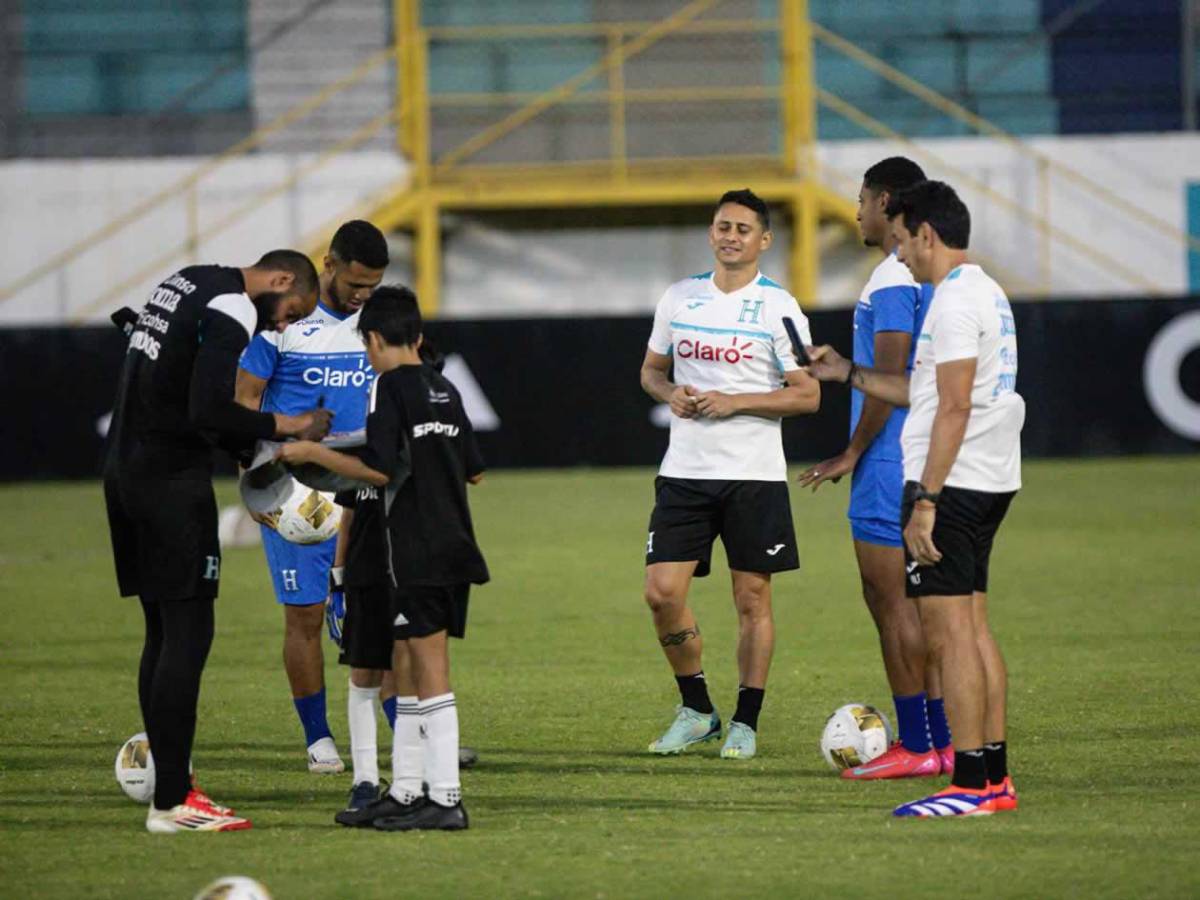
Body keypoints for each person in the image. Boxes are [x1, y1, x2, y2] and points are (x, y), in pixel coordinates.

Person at [803, 180, 1024, 817]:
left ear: (926, 232)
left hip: (951, 487)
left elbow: (952, 405)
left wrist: (925, 500)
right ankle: (995, 780)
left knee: (951, 638)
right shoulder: (987, 293)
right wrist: (845, 371)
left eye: (902, 242)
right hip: (988, 478)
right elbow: (925, 393)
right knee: (975, 633)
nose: (900, 256)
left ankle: (970, 786)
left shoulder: (953, 303)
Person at [104, 251, 332, 832]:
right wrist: (286, 427)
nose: (281, 326)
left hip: (126, 473)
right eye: (290, 312)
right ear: (280, 282)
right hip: (169, 485)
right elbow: (212, 409)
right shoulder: (232, 305)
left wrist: (249, 452)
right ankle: (174, 802)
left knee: (162, 632)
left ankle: (170, 786)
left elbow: (191, 403)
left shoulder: (186, 282)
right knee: (188, 633)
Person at [276, 286, 488, 832]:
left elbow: (379, 469)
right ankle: (406, 790)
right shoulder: (446, 388)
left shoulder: (390, 387)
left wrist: (312, 453)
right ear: (416, 335)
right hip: (454, 544)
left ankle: (445, 798)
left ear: (373, 338)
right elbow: (474, 469)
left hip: (411, 549)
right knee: (411, 670)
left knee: (428, 671)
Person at [639, 188, 821, 760]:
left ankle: (746, 720)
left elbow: (809, 395)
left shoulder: (782, 307)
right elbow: (650, 370)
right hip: (685, 471)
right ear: (711, 233)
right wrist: (671, 393)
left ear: (764, 241)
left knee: (751, 601)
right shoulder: (680, 298)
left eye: (744, 229)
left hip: (753, 475)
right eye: (723, 226)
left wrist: (734, 400)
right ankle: (696, 709)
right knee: (661, 593)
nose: (731, 236)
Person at [798, 157, 955, 779]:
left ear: (885, 200)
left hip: (891, 459)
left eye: (862, 200)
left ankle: (917, 746)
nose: (857, 212)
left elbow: (892, 378)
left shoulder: (892, 277)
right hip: (927, 454)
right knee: (926, 608)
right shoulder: (937, 275)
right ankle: (941, 743)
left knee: (892, 604)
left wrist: (854, 452)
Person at [236, 221, 389, 775]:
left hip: (368, 488)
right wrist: (259, 484)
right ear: (330, 263)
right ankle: (317, 738)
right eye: (355, 282)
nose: (362, 294)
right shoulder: (283, 323)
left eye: (373, 285)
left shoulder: (378, 323)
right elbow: (244, 402)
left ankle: (409, 731)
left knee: (380, 613)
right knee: (303, 616)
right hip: (299, 499)